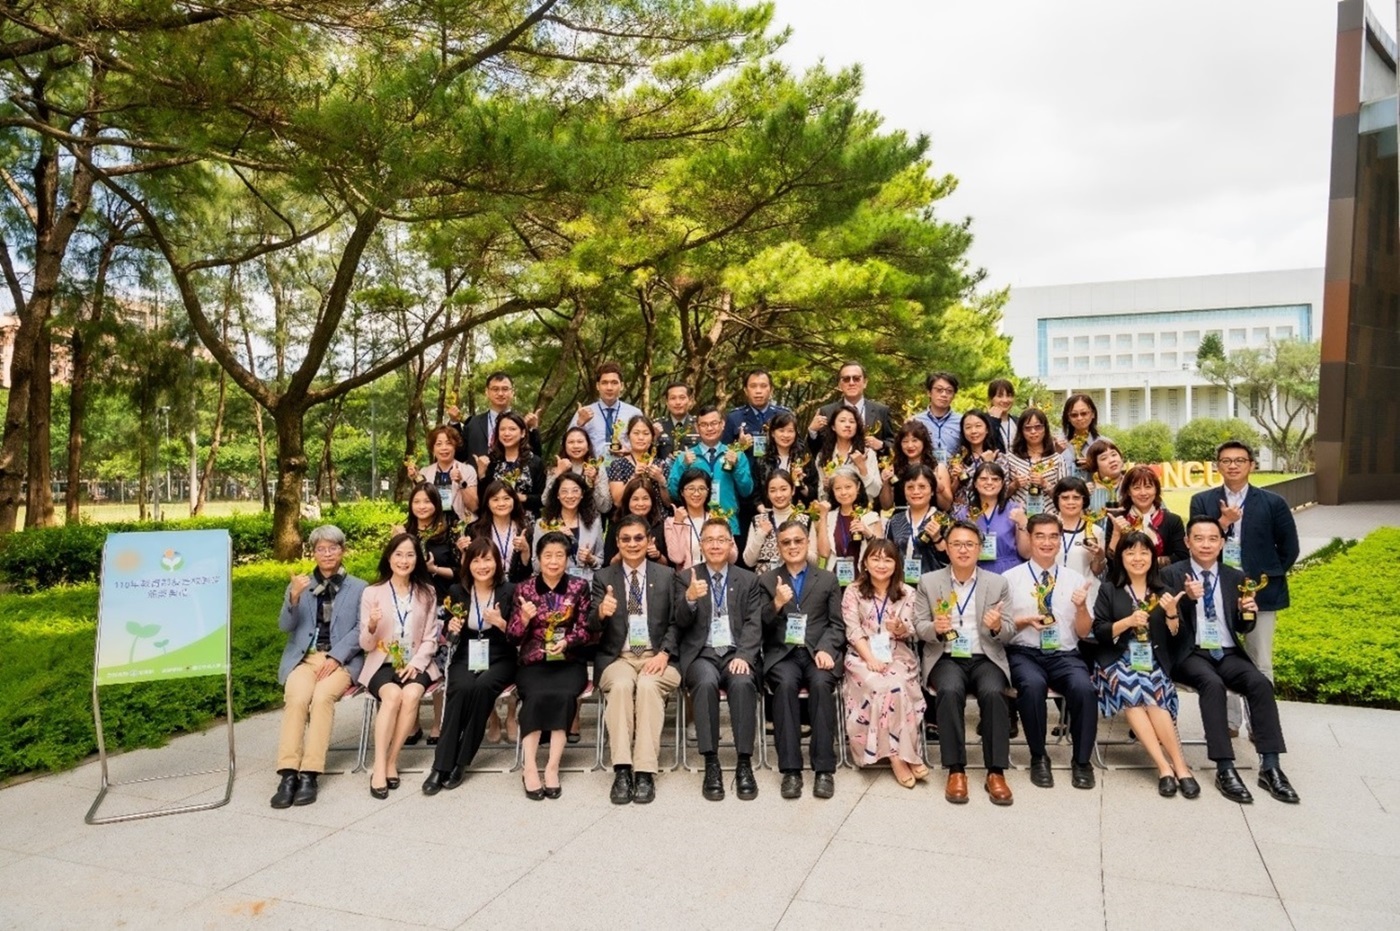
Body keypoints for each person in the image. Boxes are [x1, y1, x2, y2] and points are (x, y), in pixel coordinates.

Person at [1160, 517, 1299, 804]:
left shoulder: (1235, 577)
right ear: (1187, 542)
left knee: (1259, 683)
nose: (1206, 544)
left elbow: (1241, 627)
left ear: (1222, 542)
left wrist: (1247, 612)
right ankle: (1225, 768)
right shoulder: (1171, 575)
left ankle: (1271, 766)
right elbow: (1167, 628)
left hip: (1227, 651)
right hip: (1190, 652)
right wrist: (1185, 599)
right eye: (1199, 538)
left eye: (1213, 538)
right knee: (1212, 684)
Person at [1189, 440, 1299, 737]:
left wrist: (1263, 578)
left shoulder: (1272, 502)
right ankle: (1230, 722)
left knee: (1260, 658)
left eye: (1240, 460)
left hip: (1261, 591)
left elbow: (1289, 549)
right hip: (1216, 590)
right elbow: (1199, 542)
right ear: (1217, 466)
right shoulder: (1203, 501)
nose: (1233, 465)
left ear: (1252, 464)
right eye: (1226, 461)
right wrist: (1223, 522)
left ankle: (1260, 724)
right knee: (1221, 653)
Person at [912, 520, 1015, 806]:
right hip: (946, 657)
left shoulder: (998, 583)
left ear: (980, 548)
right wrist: (935, 627)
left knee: (994, 693)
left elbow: (1009, 632)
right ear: (945, 547)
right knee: (948, 691)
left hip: (985, 655)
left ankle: (996, 771)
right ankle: (956, 769)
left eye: (970, 544)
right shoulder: (929, 582)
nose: (963, 549)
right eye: (956, 543)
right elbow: (919, 626)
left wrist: (996, 627)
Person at [1089, 530, 1198, 797]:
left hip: (1153, 659)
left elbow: (1180, 639)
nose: (1137, 558)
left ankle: (1179, 768)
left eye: (1144, 552)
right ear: (1122, 558)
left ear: (1153, 556)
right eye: (1130, 552)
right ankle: (1166, 767)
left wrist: (1172, 614)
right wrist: (1127, 622)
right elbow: (1100, 631)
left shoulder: (1166, 591)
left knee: (1152, 695)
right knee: (1132, 690)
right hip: (1116, 660)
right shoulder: (1108, 590)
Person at [589, 515, 687, 805]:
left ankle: (644, 771)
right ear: (617, 543)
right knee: (620, 686)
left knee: (647, 686)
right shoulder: (604, 577)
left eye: (638, 538)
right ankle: (621, 770)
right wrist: (601, 613)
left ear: (649, 541)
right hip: (617, 657)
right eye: (626, 539)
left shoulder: (667, 576)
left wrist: (664, 653)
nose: (632, 544)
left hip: (658, 657)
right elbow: (592, 626)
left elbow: (677, 622)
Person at [270, 525, 368, 809]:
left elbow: (361, 630)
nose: (327, 554)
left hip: (340, 660)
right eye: (321, 549)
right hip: (304, 659)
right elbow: (285, 626)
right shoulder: (300, 584)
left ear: (343, 550)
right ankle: (288, 774)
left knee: (322, 698)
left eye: (333, 548)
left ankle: (310, 773)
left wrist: (336, 657)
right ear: (313, 553)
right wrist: (294, 598)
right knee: (297, 699)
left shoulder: (359, 587)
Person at [1004, 514, 1098, 790]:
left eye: (1053, 536)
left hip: (1064, 653)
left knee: (1084, 689)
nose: (1047, 542)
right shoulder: (1011, 578)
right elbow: (1002, 628)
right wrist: (1023, 621)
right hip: (1024, 652)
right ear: (1029, 539)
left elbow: (1083, 632)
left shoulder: (1075, 579)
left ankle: (1081, 761)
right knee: (1031, 686)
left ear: (1060, 540)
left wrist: (1081, 608)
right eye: (1040, 536)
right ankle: (1038, 757)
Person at [677, 518, 765, 801]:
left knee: (742, 682)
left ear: (731, 544)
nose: (715, 545)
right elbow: (676, 622)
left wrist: (744, 655)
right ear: (701, 545)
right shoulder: (685, 577)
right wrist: (689, 599)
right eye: (709, 540)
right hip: (701, 653)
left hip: (735, 652)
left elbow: (754, 623)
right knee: (703, 682)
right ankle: (711, 761)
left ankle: (743, 762)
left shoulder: (748, 579)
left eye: (721, 539)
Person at [421, 538, 517, 795]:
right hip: (467, 653)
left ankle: (461, 762)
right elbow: (450, 638)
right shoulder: (457, 592)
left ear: (497, 563)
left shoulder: (510, 591)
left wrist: (500, 623)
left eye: (488, 559)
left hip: (501, 656)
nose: (482, 565)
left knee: (483, 687)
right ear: (468, 564)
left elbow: (518, 636)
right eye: (476, 559)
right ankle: (440, 766)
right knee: (460, 688)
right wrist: (451, 629)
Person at [759, 520, 845, 799]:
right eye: (786, 542)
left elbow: (837, 625)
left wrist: (826, 649)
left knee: (821, 685)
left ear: (806, 542)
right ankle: (791, 770)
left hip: (817, 653)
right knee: (784, 687)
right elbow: (759, 624)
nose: (793, 547)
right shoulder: (767, 580)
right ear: (779, 547)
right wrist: (776, 605)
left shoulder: (828, 579)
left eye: (798, 541)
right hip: (783, 654)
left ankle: (823, 769)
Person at [507, 531, 595, 799]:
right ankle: (530, 766)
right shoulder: (524, 589)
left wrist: (567, 642)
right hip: (534, 660)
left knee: (564, 696)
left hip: (569, 660)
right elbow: (512, 636)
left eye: (560, 555)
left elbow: (586, 630)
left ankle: (553, 766)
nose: (554, 561)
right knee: (534, 696)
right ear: (538, 559)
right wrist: (522, 618)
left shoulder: (579, 587)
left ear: (568, 559)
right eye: (548, 556)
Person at [358, 533, 442, 799]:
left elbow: (431, 637)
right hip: (382, 661)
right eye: (398, 554)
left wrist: (416, 664)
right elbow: (365, 644)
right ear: (388, 557)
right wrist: (371, 626)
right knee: (392, 695)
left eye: (410, 555)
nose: (403, 560)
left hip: (416, 662)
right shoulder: (372, 592)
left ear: (417, 559)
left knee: (411, 694)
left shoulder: (427, 592)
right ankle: (379, 765)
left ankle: (392, 759)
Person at [841, 538, 928, 787]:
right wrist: (870, 659)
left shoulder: (907, 592)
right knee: (881, 687)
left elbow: (912, 628)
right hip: (861, 656)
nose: (882, 564)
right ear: (865, 563)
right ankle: (899, 759)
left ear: (896, 564)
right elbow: (853, 630)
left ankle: (905, 754)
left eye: (888, 559)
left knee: (897, 686)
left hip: (896, 654)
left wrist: (901, 627)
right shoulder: (853, 591)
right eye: (875, 558)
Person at [401, 482, 459, 747]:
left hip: (441, 605)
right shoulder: (402, 533)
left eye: (427, 501)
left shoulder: (449, 533)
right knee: (410, 659)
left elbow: (460, 572)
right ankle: (411, 723)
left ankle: (438, 722)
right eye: (417, 502)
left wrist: (435, 570)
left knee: (440, 664)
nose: (422, 506)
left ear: (437, 504)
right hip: (410, 607)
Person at [665, 405, 753, 535]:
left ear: (722, 424)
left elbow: (747, 491)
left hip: (728, 525)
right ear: (697, 427)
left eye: (714, 423)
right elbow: (673, 492)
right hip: (694, 526)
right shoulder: (685, 456)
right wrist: (683, 466)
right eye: (704, 424)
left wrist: (736, 467)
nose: (710, 428)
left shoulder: (736, 454)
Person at [446, 370, 542, 461]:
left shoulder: (522, 423)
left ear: (512, 392)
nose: (500, 393)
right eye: (495, 389)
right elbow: (459, 455)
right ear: (487, 392)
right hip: (476, 477)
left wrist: (532, 429)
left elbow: (536, 458)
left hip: (512, 477)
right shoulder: (473, 423)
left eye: (505, 389)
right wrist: (454, 422)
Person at [953, 462, 1029, 575]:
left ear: (1003, 483)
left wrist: (1022, 523)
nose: (989, 482)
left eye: (995, 479)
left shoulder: (1015, 510)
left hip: (1010, 571)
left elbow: (1026, 553)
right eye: (983, 479)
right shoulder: (964, 514)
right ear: (975, 483)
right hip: (976, 571)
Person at [814, 465, 884, 585]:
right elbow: (823, 553)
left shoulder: (871, 517)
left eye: (848, 487)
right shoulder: (829, 517)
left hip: (864, 581)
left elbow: (881, 552)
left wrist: (868, 533)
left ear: (857, 487)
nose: (843, 492)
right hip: (833, 581)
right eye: (838, 488)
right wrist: (823, 516)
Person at [1106, 465, 1187, 566]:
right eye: (1136, 488)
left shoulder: (1173, 520)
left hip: (1162, 578)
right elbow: (1110, 562)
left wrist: (1145, 563)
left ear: (1156, 490)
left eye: (1148, 487)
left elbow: (1182, 557)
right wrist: (1117, 533)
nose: (1143, 493)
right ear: (1128, 491)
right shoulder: (1117, 519)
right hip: (1125, 580)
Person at [806, 362, 896, 452]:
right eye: (846, 379)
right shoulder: (826, 412)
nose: (851, 383)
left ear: (865, 382)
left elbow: (895, 444)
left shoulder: (881, 411)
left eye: (856, 379)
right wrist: (812, 431)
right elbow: (818, 450)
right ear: (839, 385)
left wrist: (881, 445)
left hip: (872, 464)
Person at [742, 469, 815, 575]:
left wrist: (799, 543)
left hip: (798, 584)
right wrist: (760, 535)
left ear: (793, 490)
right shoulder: (759, 520)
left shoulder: (805, 520)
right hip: (764, 585)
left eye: (783, 489)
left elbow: (815, 562)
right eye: (773, 490)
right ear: (767, 493)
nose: (778, 495)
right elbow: (748, 561)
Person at [535, 471, 603, 584]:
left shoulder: (594, 522)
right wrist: (553, 539)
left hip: (586, 585)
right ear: (557, 495)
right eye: (564, 491)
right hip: (554, 584)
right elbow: (536, 566)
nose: (570, 496)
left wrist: (590, 559)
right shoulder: (544, 524)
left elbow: (600, 561)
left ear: (582, 494)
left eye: (575, 491)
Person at [664, 468, 739, 570]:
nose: (696, 493)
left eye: (702, 489)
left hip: (716, 577)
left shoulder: (718, 518)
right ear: (682, 492)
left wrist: (721, 537)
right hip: (687, 580)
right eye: (691, 488)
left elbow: (733, 558)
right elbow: (677, 558)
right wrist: (678, 523)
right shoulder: (672, 522)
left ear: (708, 492)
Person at [475, 411, 546, 519]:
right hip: (496, 522)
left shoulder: (534, 461)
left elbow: (543, 499)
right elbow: (484, 499)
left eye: (512, 429)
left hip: (527, 522)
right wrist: (481, 475)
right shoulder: (491, 461)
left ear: (522, 433)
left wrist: (522, 497)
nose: (506, 433)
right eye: (502, 429)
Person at [884, 464, 950, 579]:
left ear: (932, 491)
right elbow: (886, 556)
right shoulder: (894, 521)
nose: (916, 492)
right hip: (901, 589)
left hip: (934, 588)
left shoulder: (944, 520)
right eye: (910, 487)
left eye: (922, 487)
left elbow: (952, 560)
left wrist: (937, 539)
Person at [568, 361, 643, 458]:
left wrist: (629, 451)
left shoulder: (634, 413)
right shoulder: (584, 413)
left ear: (622, 386)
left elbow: (643, 443)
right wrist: (579, 424)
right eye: (604, 383)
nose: (609, 388)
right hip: (592, 469)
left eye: (614, 383)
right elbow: (568, 444)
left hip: (626, 468)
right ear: (597, 386)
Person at [1048, 477, 1107, 602]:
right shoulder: (1046, 529)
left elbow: (1096, 570)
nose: (1071, 502)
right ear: (1057, 499)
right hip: (1051, 593)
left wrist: (1100, 556)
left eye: (1076, 497)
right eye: (1065, 497)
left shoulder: (1095, 531)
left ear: (1084, 500)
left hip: (1085, 594)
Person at [408, 425, 478, 527]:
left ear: (455, 446)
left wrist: (460, 481)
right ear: (433, 449)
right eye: (439, 444)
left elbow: (474, 506)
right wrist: (414, 478)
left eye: (449, 443)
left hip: (462, 526)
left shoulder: (468, 470)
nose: (444, 448)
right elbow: (418, 505)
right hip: (433, 527)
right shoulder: (425, 472)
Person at [467, 480, 534, 583]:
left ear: (514, 501)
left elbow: (528, 570)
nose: (501, 503)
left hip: (516, 586)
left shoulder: (525, 530)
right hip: (486, 585)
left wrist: (525, 550)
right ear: (488, 503)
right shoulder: (476, 530)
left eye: (506, 498)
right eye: (495, 499)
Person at [877, 420, 952, 511]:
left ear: (924, 442)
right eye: (905, 441)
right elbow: (886, 506)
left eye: (914, 440)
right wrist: (886, 483)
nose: (910, 445)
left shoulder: (938, 468)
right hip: (902, 519)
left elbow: (947, 506)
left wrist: (937, 485)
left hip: (932, 519)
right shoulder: (893, 468)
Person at [813, 404, 881, 502]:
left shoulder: (867, 453)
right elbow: (822, 497)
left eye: (852, 421)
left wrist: (862, 467)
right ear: (833, 427)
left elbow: (875, 491)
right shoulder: (823, 456)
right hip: (834, 512)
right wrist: (826, 487)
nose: (848, 425)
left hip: (862, 511)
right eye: (842, 421)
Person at [602, 475, 671, 567]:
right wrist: (622, 553)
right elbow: (607, 565)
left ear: (652, 501)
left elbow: (669, 567)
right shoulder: (615, 527)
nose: (641, 504)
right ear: (627, 501)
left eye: (645, 499)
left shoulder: (661, 526)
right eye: (635, 499)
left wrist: (657, 555)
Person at [543, 426, 612, 516]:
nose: (575, 446)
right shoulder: (556, 467)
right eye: (571, 442)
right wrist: (557, 474)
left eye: (580, 442)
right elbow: (545, 501)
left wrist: (595, 481)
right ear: (564, 446)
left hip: (590, 522)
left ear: (588, 445)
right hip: (561, 521)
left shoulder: (597, 467)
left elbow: (605, 507)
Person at [1005, 407, 1063, 514]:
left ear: (1045, 428)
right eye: (1027, 428)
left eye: (1038, 427)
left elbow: (1064, 496)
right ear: (1021, 431)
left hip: (1048, 517)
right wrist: (1014, 485)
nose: (1033, 432)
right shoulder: (1011, 458)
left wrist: (1045, 484)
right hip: (1018, 518)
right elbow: (1000, 495)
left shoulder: (1056, 459)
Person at [722, 368, 790, 459]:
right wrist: (740, 446)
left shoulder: (784, 415)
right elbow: (723, 454)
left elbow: (798, 448)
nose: (758, 391)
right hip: (746, 471)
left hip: (777, 471)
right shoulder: (734, 417)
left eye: (763, 386)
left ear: (771, 390)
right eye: (753, 386)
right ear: (746, 390)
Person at [756, 411, 819, 506]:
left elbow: (814, 493)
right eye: (781, 430)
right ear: (773, 433)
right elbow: (755, 494)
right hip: (770, 513)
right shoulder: (762, 460)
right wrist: (762, 509)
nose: (786, 435)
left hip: (799, 513)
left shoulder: (805, 459)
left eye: (790, 431)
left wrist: (800, 484)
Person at [606, 415, 669, 509]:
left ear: (652, 437)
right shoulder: (618, 465)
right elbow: (617, 502)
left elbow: (668, 503)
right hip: (630, 520)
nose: (641, 437)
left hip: (658, 520)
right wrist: (634, 477)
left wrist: (661, 480)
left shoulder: (661, 465)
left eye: (646, 433)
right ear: (628, 436)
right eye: (636, 433)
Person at [948, 409, 1007, 507]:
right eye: (968, 427)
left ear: (987, 429)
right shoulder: (957, 458)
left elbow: (1005, 490)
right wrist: (956, 479)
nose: (973, 431)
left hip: (991, 512)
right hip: (962, 515)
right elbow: (949, 495)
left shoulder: (998, 457)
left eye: (978, 426)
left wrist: (988, 464)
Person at [914, 371, 963, 462]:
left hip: (953, 472)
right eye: (939, 390)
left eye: (949, 391)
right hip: (923, 472)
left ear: (954, 395)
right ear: (929, 392)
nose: (944, 395)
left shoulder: (962, 421)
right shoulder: (916, 421)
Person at [1057, 393, 1103, 478]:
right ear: (1068, 418)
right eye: (1074, 415)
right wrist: (1056, 454)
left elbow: (1114, 475)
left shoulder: (1104, 444)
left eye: (1084, 413)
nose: (1079, 418)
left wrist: (1094, 466)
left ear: (1093, 414)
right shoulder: (1058, 444)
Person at [653, 381, 697, 463]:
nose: (678, 402)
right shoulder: (657, 425)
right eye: (673, 398)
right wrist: (653, 438)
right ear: (666, 402)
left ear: (690, 400)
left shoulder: (698, 425)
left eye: (682, 398)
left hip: (693, 473)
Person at [1083, 438, 1126, 515]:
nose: (1112, 460)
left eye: (1114, 455)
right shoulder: (1089, 491)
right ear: (1095, 465)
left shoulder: (1131, 485)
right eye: (1104, 458)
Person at [987, 378, 1018, 451]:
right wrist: (994, 421)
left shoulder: (1018, 421)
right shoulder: (982, 422)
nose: (1005, 400)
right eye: (1000, 396)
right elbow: (988, 445)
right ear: (991, 399)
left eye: (1009, 395)